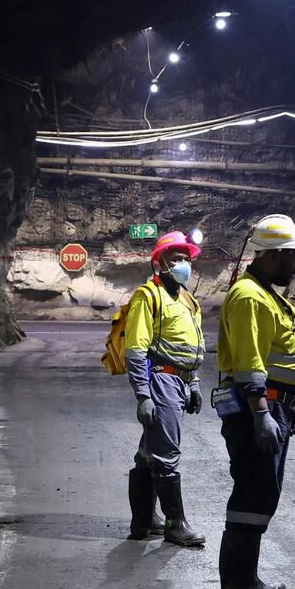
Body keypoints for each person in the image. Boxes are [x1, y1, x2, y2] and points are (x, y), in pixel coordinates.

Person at [213, 214, 295, 589]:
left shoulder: (263, 293)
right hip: (257, 408)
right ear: (272, 256)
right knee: (251, 499)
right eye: (291, 256)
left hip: (273, 407)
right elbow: (250, 364)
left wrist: (284, 406)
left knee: (260, 498)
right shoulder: (251, 298)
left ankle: (247, 579)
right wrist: (261, 414)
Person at [125, 231, 207, 547]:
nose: (184, 264)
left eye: (186, 258)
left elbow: (193, 344)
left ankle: (143, 520)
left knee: (149, 452)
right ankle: (175, 524)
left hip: (180, 381)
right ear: (160, 262)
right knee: (167, 453)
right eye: (176, 258)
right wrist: (143, 395)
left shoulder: (188, 299)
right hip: (161, 381)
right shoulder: (149, 296)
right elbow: (136, 349)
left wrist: (195, 384)